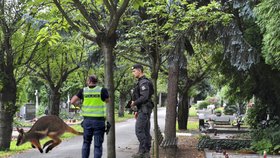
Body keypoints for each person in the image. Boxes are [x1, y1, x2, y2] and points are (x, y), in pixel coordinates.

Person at [70, 75, 109, 158]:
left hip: (87, 121)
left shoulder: (83, 91)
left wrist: (79, 106)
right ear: (96, 81)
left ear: (89, 81)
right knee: (98, 145)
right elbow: (107, 101)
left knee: (86, 143)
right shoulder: (102, 90)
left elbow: (72, 101)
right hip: (99, 121)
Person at [130, 64, 154, 158]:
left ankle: (144, 151)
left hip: (144, 109)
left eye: (134, 71)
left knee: (139, 131)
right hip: (143, 109)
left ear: (139, 71)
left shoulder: (143, 82)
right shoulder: (141, 82)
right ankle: (144, 152)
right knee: (145, 131)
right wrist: (136, 109)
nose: (133, 73)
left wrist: (134, 103)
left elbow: (144, 97)